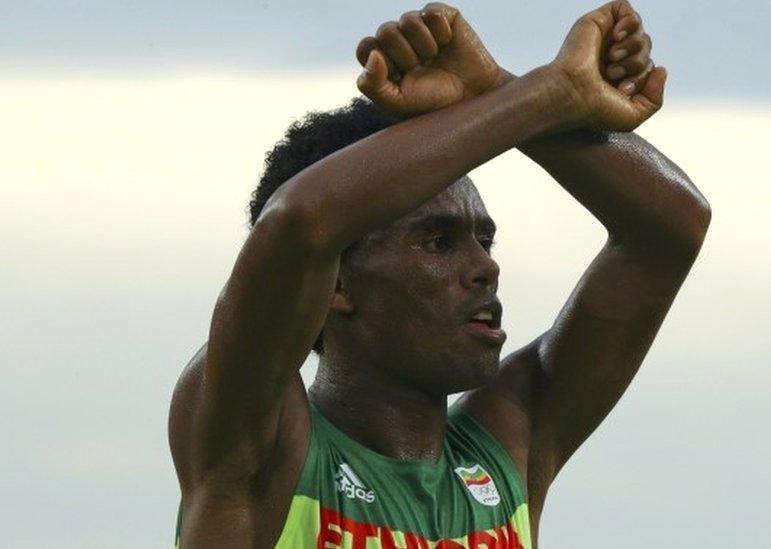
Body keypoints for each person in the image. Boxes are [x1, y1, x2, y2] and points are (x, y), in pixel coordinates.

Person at [168, 1, 711, 546]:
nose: (485, 267)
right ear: (336, 282)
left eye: (485, 239)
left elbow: (668, 231)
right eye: (437, 242)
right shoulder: (261, 444)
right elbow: (297, 224)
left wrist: (490, 86)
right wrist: (549, 97)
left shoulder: (509, 445)